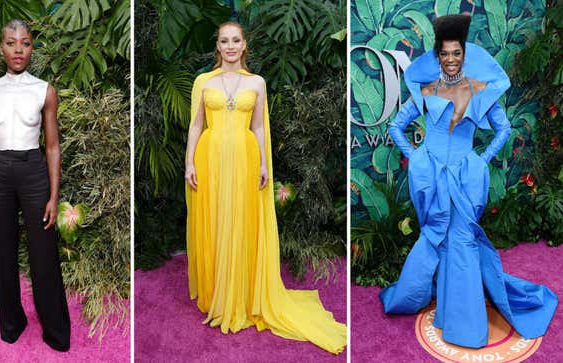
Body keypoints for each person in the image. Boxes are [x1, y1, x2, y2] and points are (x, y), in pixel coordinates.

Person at [381, 14, 557, 348]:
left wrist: (480, 160)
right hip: (432, 178)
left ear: (465, 53)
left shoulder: (478, 89)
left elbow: (503, 129)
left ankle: (466, 326)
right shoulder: (427, 88)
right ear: (437, 55)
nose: (450, 59)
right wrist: (417, 156)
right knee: (440, 239)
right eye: (444, 54)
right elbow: (395, 126)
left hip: (464, 179)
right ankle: (445, 313)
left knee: (461, 240)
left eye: (456, 53)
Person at [184, 21, 346, 354]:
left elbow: (259, 127)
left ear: (244, 46)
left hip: (244, 161)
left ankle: (241, 296)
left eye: (236, 41)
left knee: (242, 223)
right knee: (215, 222)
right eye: (224, 41)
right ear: (217, 46)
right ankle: (218, 294)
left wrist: (262, 164)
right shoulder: (203, 82)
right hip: (210, 160)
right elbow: (196, 125)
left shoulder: (257, 83)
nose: (230, 46)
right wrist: (189, 163)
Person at [0, 19, 71, 352]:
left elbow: (53, 146)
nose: (19, 49)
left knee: (43, 252)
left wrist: (53, 195)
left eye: (26, 43)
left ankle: (56, 331)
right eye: (12, 43)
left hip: (33, 171)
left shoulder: (45, 90)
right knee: (3, 250)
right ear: (1, 48)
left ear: (33, 47)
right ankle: (12, 323)